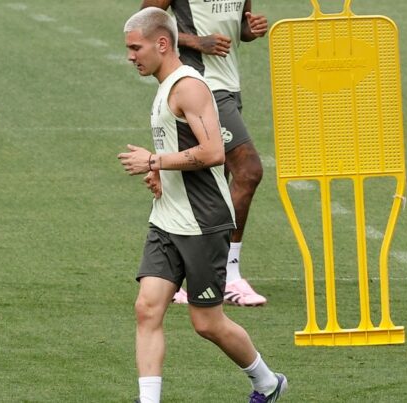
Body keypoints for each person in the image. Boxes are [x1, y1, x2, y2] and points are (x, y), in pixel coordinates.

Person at [118, 8, 287, 403]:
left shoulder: (189, 87)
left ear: (162, 43)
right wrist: (162, 172)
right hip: (166, 220)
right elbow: (179, 143)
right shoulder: (164, 84)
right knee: (147, 309)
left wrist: (154, 162)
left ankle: (268, 382)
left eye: (135, 47)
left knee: (207, 323)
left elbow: (213, 151)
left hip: (202, 222)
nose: (130, 56)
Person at [140, 0, 269, 306]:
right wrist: (195, 42)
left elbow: (239, 28)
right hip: (200, 84)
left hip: (230, 84)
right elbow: (145, 23)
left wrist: (249, 31)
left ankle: (181, 276)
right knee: (249, 171)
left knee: (208, 184)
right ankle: (229, 274)